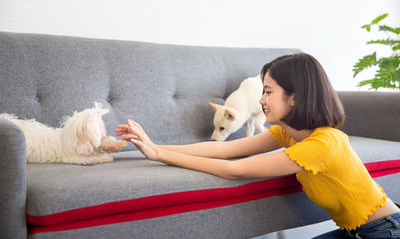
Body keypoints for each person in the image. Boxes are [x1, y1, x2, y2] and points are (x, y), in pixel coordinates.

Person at [116, 53, 400, 238]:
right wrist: (156, 147)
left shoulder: (323, 143)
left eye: (268, 91)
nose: (261, 100)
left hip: (384, 231)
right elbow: (225, 149)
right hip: (353, 231)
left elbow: (236, 170)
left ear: (295, 97)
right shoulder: (287, 133)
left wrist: (159, 154)